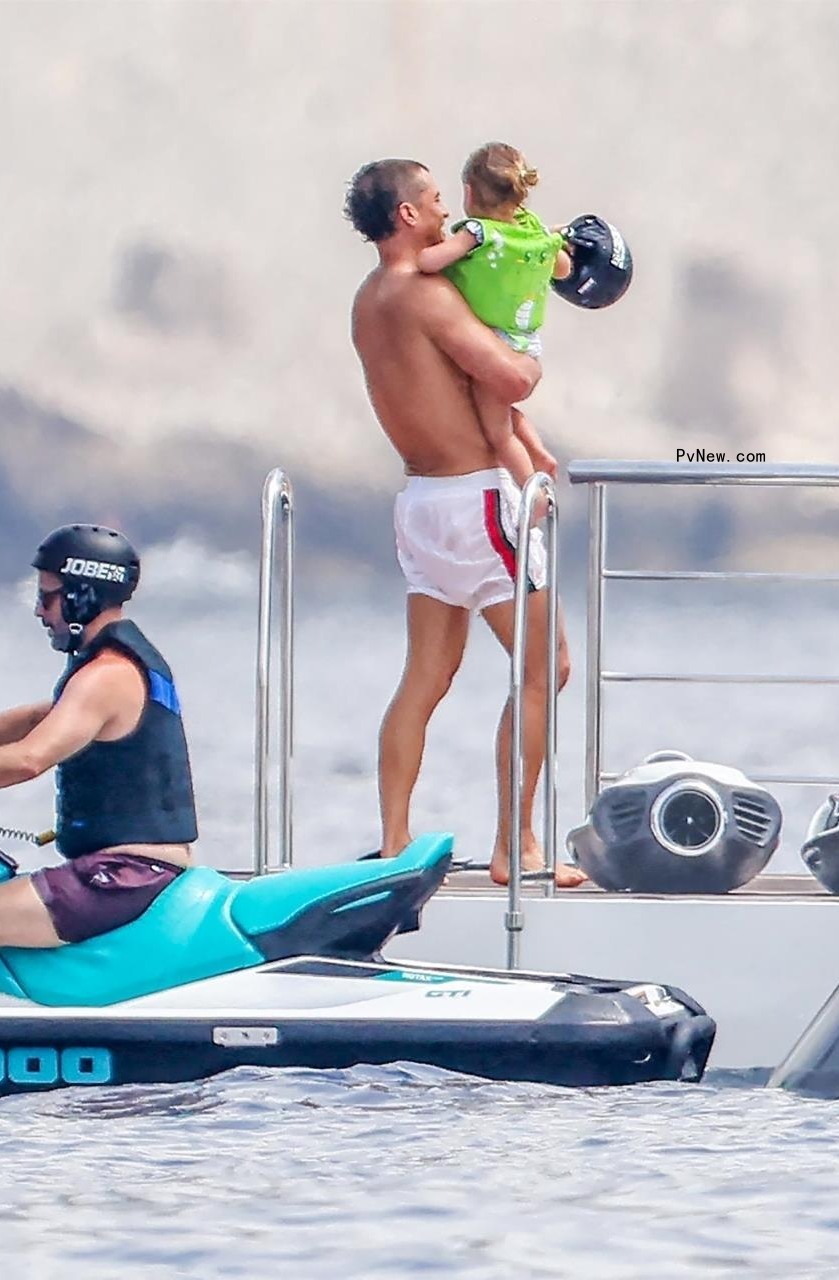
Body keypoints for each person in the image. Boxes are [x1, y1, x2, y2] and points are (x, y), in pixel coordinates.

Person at [344, 157, 584, 887]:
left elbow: (448, 384)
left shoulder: (369, 297)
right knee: (549, 667)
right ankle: (520, 845)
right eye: (437, 202)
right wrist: (528, 343)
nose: (448, 212)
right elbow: (509, 378)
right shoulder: (427, 293)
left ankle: (392, 844)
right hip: (476, 500)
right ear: (409, 216)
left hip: (420, 505)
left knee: (426, 676)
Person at [0, 524, 199, 1006]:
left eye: (48, 598)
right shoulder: (102, 667)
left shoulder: (109, 674)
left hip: (129, 873)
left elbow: (30, 758)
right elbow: (41, 716)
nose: (39, 610)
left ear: (81, 598)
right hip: (124, 868)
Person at [415, 142, 570, 486]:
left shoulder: (479, 233)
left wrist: (424, 253)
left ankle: (533, 489)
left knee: (498, 434)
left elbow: (429, 262)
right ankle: (539, 451)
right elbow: (562, 269)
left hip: (491, 343)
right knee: (500, 412)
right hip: (525, 344)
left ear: (468, 193)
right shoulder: (535, 231)